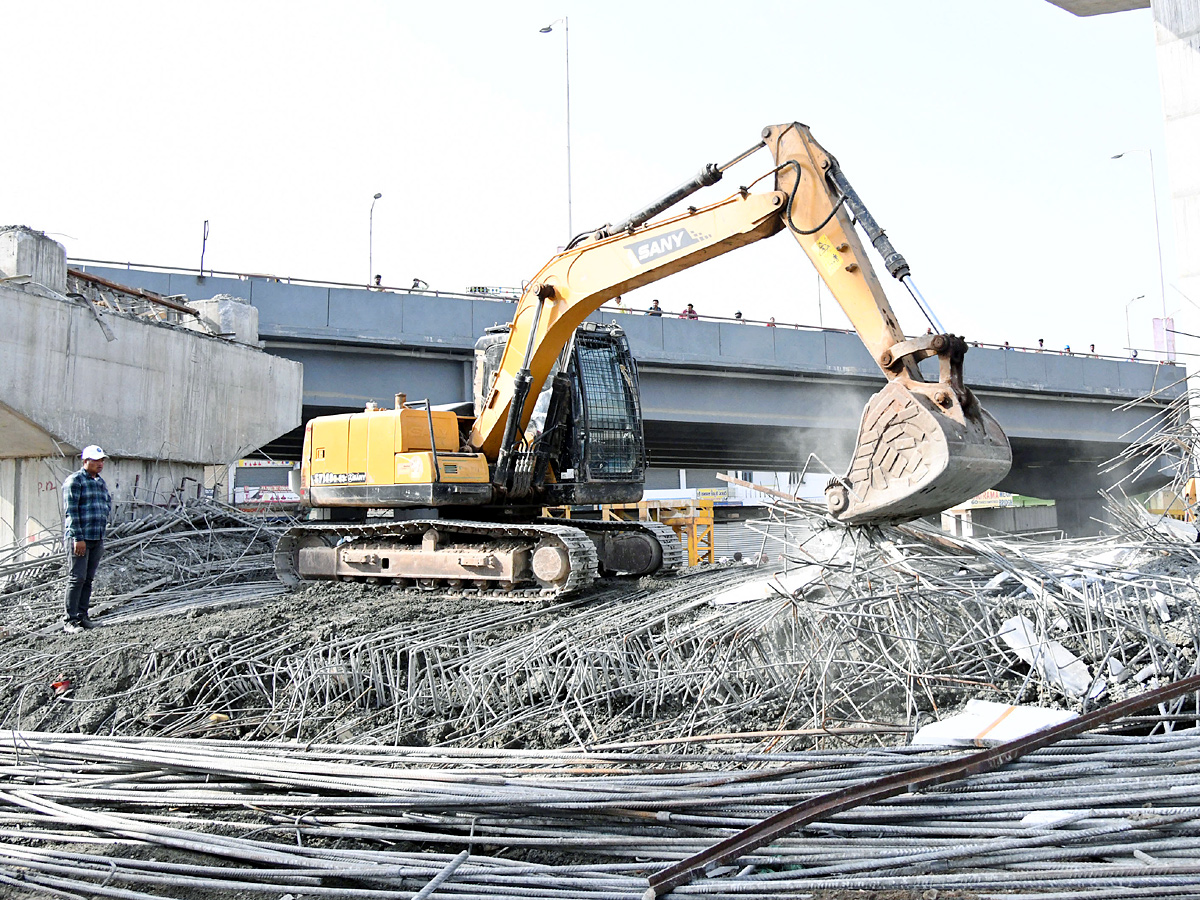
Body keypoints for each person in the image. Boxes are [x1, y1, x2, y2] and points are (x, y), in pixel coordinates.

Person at [62, 445, 112, 633]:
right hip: (80, 539)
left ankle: (83, 617)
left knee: (88, 579)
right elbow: (71, 512)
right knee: (77, 578)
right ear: (85, 462)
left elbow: (106, 505)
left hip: (96, 538)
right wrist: (78, 538)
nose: (100, 464)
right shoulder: (75, 481)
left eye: (102, 461)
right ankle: (70, 620)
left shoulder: (100, 482)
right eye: (96, 460)